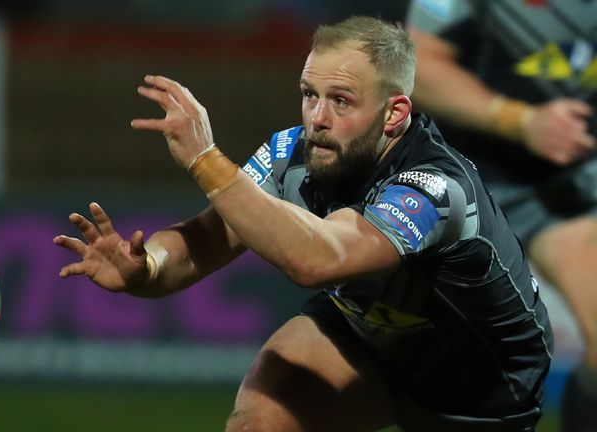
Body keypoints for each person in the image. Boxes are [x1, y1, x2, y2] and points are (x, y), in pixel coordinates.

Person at [55, 16, 552, 431]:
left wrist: (206, 159)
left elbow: (318, 260)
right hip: (372, 338)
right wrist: (148, 268)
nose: (317, 117)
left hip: (482, 385)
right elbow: (209, 237)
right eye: (309, 94)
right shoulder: (290, 152)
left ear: (394, 113)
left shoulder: (435, 186)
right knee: (259, 422)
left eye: (340, 100)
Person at [406, 1, 596, 430]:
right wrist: (521, 120)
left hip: (561, 188)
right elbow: (419, 64)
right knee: (442, 368)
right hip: (456, 185)